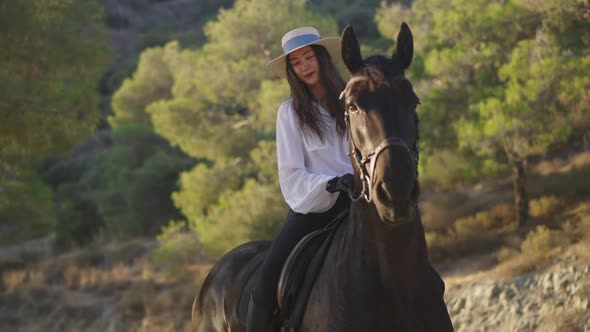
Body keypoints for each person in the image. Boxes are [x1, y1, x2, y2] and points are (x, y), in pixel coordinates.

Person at [246, 27, 354, 331]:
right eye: (296, 62)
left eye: (309, 57)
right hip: (317, 206)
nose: (304, 66)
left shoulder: (352, 101)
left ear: (322, 58)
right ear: (291, 71)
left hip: (362, 200)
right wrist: (332, 183)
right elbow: (291, 175)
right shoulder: (290, 113)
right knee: (267, 282)